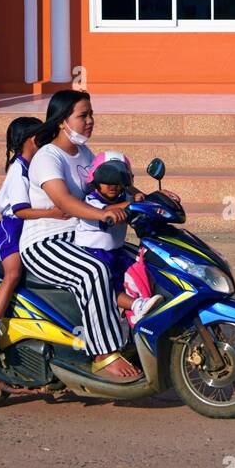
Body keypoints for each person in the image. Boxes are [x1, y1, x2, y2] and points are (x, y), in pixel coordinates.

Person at [18, 88, 144, 383]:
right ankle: (103, 354)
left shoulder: (87, 155)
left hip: (81, 237)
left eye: (91, 115)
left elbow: (110, 185)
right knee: (95, 271)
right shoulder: (48, 157)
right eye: (83, 115)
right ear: (62, 121)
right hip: (46, 244)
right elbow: (63, 201)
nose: (90, 121)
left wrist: (144, 196)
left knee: (136, 261)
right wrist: (102, 214)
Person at [0, 117, 69, 359]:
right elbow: (19, 209)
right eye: (42, 136)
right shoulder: (19, 168)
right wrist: (53, 213)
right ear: (32, 140)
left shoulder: (39, 165)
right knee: (14, 273)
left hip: (35, 225)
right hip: (13, 228)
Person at [82, 152, 161, 326]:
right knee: (107, 286)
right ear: (95, 180)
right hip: (95, 253)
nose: (113, 186)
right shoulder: (90, 202)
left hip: (117, 251)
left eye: (118, 181)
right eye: (107, 180)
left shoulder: (124, 197)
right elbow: (107, 210)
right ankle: (136, 305)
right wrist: (133, 202)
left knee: (145, 268)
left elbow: (137, 202)